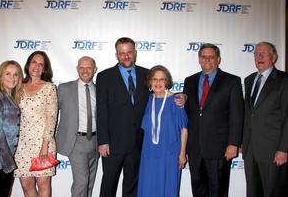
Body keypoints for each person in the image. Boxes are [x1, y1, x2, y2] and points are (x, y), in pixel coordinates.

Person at [96, 37, 186, 197]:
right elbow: (101, 110)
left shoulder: (147, 74)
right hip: (113, 144)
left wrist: (183, 96)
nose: (126, 56)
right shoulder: (105, 76)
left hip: (138, 144)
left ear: (135, 53)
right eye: (122, 53)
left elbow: (162, 93)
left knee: (132, 186)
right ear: (116, 55)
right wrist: (103, 141)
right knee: (108, 184)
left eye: (129, 52)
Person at [183, 43, 244, 197]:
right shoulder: (189, 81)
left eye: (211, 57)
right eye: (203, 56)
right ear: (199, 59)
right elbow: (187, 112)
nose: (207, 60)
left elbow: (237, 115)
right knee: (198, 189)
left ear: (218, 59)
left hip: (220, 148)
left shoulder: (232, 81)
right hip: (195, 147)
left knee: (218, 190)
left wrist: (233, 143)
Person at [242, 41, 288, 197]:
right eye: (256, 54)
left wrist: (284, 148)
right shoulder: (249, 80)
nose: (259, 57)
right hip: (250, 149)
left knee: (273, 191)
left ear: (273, 57)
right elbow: (249, 114)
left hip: (273, 150)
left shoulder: (284, 80)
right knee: (253, 191)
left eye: (264, 54)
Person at [137, 65, 188, 197]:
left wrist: (182, 153)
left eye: (162, 79)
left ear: (167, 81)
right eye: (155, 79)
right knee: (148, 187)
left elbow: (184, 129)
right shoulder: (147, 99)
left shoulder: (176, 100)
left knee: (168, 188)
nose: (158, 83)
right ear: (150, 82)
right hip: (149, 152)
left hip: (170, 153)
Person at [14, 51, 58, 197]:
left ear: (44, 69)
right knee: (26, 185)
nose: (37, 67)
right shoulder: (18, 87)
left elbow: (52, 119)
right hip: (21, 144)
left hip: (43, 143)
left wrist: (44, 147)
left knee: (43, 184)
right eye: (34, 62)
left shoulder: (49, 88)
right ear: (28, 64)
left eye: (41, 64)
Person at [56, 56, 99, 197]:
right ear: (77, 69)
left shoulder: (100, 91)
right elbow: (51, 113)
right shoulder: (64, 88)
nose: (85, 71)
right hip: (75, 142)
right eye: (81, 67)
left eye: (88, 68)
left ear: (95, 70)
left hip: (96, 141)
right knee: (82, 182)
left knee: (90, 182)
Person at [0, 60, 23, 197]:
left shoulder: (8, 97)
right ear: (0, 77)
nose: (12, 78)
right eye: (7, 74)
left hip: (5, 157)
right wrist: (8, 162)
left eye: (15, 75)